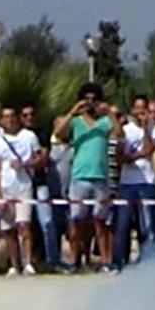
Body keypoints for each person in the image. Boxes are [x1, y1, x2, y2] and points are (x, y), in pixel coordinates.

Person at [53, 83, 124, 272]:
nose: (91, 103)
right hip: (80, 176)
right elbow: (59, 133)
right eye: (87, 100)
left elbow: (119, 134)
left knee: (100, 221)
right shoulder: (76, 122)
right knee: (76, 221)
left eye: (94, 100)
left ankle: (106, 262)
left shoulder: (104, 123)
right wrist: (73, 111)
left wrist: (109, 112)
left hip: (100, 176)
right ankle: (74, 261)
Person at [0, 106, 41, 276]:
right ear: (1, 121)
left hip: (24, 187)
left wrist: (26, 164)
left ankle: (27, 262)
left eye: (12, 116)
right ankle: (14, 265)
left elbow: (39, 157)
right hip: (6, 188)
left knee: (24, 225)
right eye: (6, 117)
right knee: (8, 229)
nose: (10, 120)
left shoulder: (29, 136)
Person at [112, 95, 155, 269]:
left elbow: (149, 149)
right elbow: (120, 156)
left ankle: (149, 259)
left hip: (147, 180)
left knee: (147, 223)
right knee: (122, 223)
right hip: (127, 182)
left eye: (144, 109)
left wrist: (146, 128)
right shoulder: (126, 130)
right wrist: (134, 156)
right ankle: (118, 261)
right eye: (137, 108)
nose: (140, 112)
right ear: (132, 110)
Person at [20, 103, 62, 271]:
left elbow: (43, 159)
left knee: (47, 221)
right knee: (23, 224)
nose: (29, 118)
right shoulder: (16, 136)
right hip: (21, 184)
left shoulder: (42, 134)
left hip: (40, 183)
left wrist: (25, 163)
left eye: (31, 114)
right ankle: (26, 262)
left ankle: (52, 260)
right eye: (25, 115)